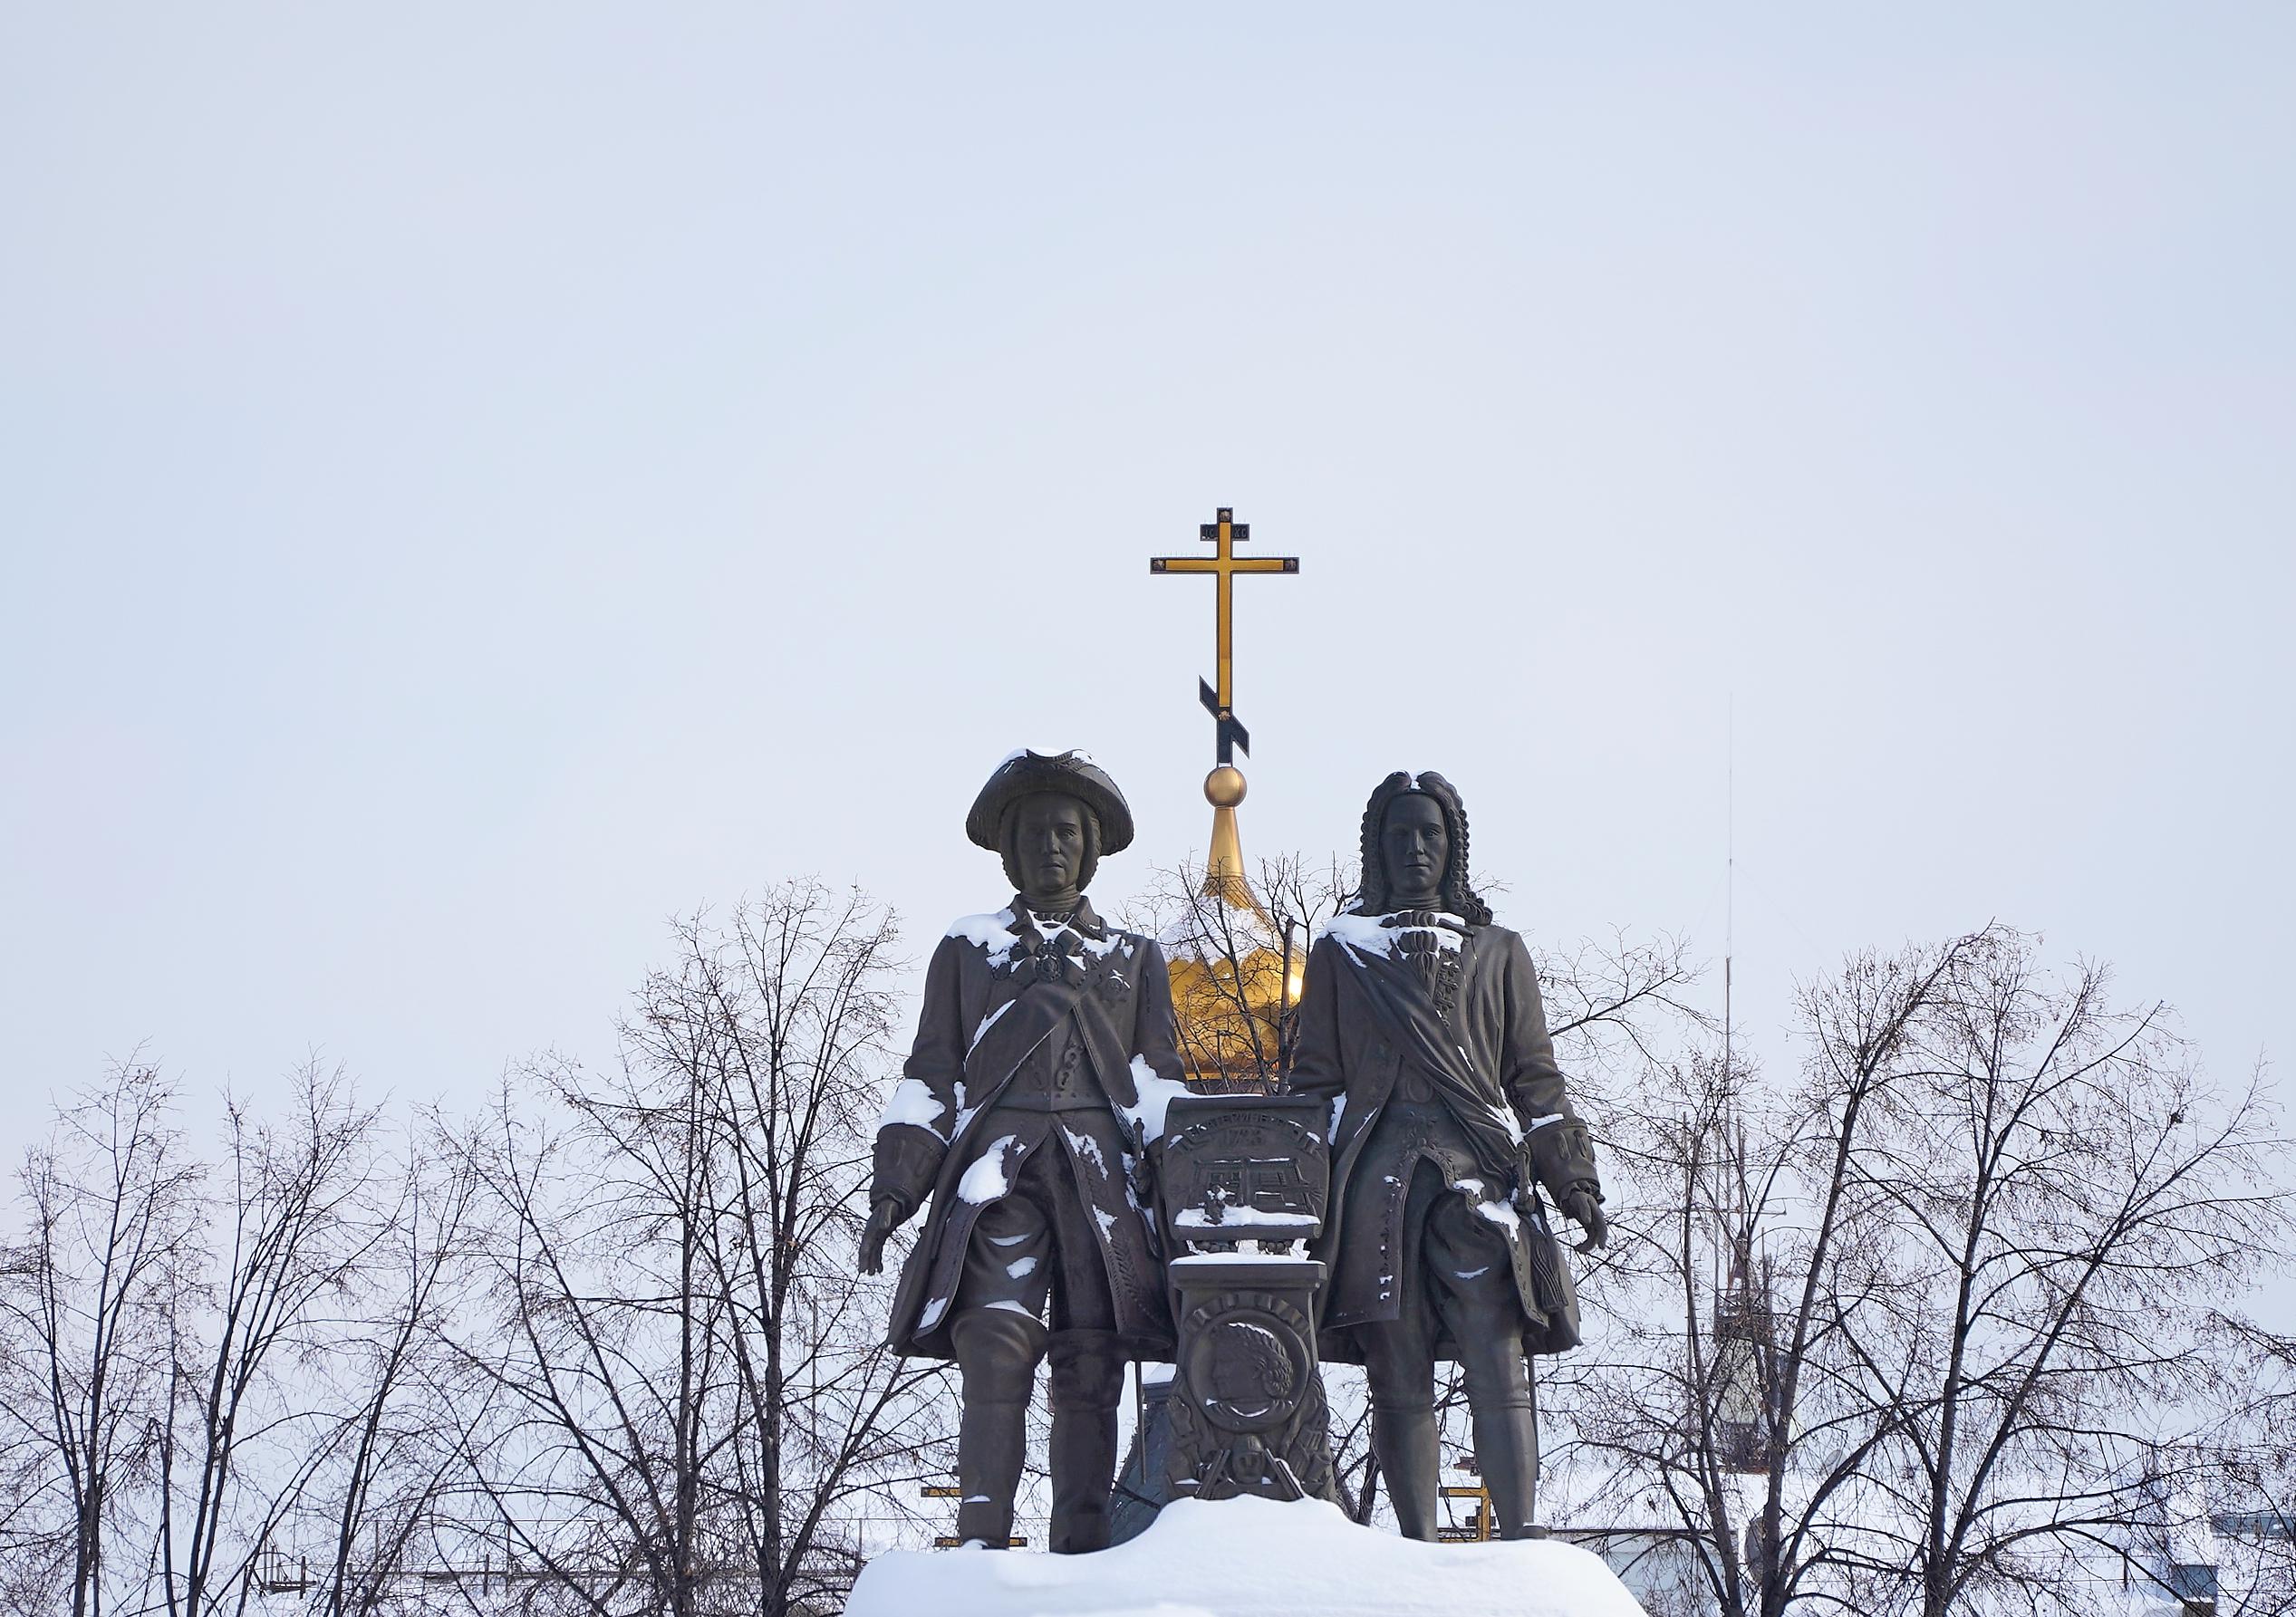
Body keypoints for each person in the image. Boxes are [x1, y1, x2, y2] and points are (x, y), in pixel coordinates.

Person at [858, 749, 1185, 1553]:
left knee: (1092, 1359)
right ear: (1009, 850)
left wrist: (1184, 1201)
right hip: (996, 1168)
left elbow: (1158, 1089)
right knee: (994, 1344)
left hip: (1100, 1180)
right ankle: (980, 1546)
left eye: (1067, 832)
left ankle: (1083, 1549)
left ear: (1090, 848)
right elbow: (932, 1077)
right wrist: (895, 1188)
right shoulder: (967, 950)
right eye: (1035, 832)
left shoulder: (1133, 957)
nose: (1051, 846)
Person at [1284, 770, 1606, 1540]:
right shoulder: (1341, 953)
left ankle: (1521, 1534)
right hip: (1374, 1184)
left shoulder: (1499, 952)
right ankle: (1416, 1549)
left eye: (1430, 833)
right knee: (1395, 1367)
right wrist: (1294, 1199)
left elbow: (1536, 1080)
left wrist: (1574, 1179)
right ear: (1377, 848)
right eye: (1400, 834)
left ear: (1454, 847)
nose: (1416, 848)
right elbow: (1313, 1087)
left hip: (1479, 1177)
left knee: (1497, 1350)